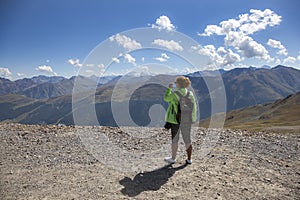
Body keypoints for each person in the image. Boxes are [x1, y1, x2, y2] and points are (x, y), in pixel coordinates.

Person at [163, 76, 197, 164]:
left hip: (175, 121)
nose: (175, 84)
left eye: (176, 82)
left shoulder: (175, 94)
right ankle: (189, 159)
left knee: (175, 140)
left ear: (179, 84)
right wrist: (193, 119)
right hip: (187, 120)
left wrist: (169, 89)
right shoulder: (190, 94)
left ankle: (173, 158)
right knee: (187, 139)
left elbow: (166, 98)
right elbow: (194, 108)